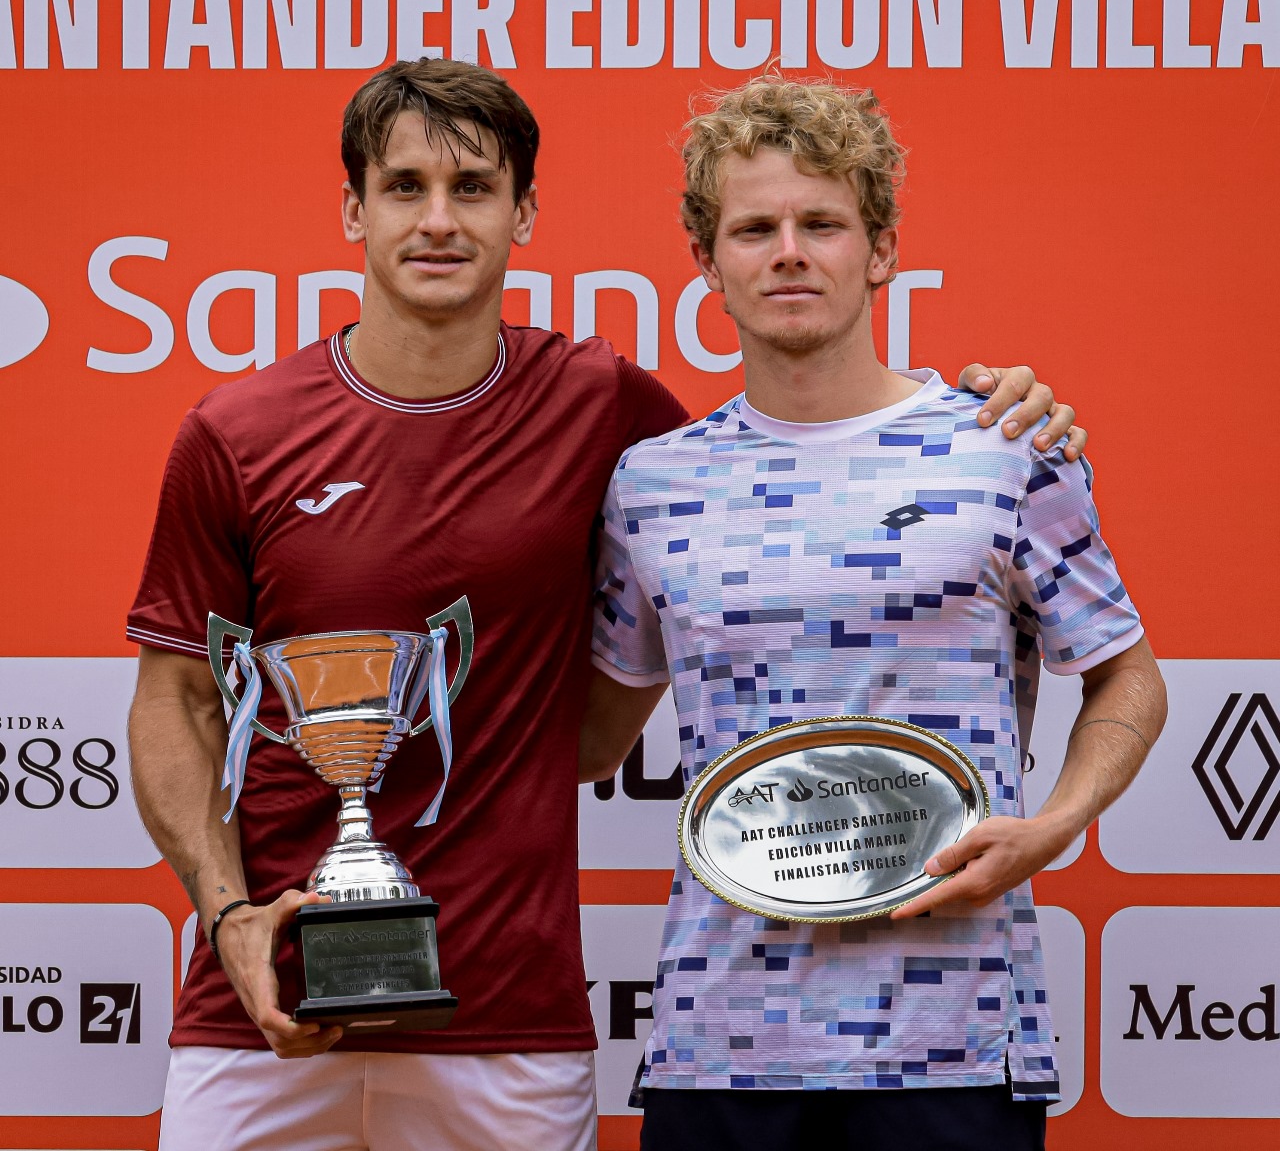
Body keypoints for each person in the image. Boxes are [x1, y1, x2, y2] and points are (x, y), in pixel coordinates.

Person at [126, 56, 1086, 1151]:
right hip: (261, 1012)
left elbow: (798, 452)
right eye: (403, 188)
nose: (437, 221)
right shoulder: (236, 432)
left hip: (511, 1020)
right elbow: (175, 701)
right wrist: (229, 915)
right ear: (353, 210)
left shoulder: (610, 414)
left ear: (524, 212)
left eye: (472, 188)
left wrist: (998, 413)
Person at [582, 73, 1166, 1151]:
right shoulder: (651, 484)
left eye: (822, 223)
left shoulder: (1003, 448)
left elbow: (1128, 675)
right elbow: (588, 739)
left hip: (955, 1043)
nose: (788, 253)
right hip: (722, 1045)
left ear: (881, 249)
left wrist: (1051, 827)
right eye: (752, 229)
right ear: (707, 263)